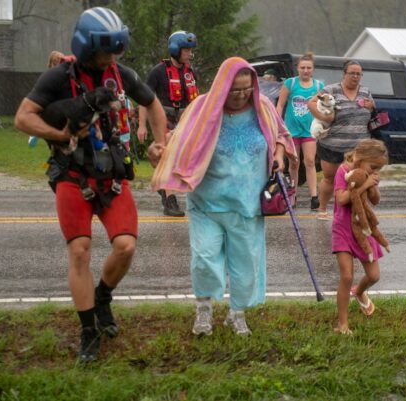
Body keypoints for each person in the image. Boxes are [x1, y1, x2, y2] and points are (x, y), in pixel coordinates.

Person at [14, 7, 167, 363]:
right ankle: (88, 332)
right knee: (80, 249)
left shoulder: (121, 75)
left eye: (116, 50)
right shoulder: (57, 78)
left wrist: (162, 144)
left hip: (112, 176)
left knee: (126, 246)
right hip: (72, 175)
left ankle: (103, 297)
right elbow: (23, 117)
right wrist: (60, 134)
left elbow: (154, 104)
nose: (111, 58)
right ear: (85, 47)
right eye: (105, 51)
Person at [151, 57, 296, 336]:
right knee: (204, 258)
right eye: (235, 90)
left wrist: (278, 154)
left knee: (245, 265)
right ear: (222, 86)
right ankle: (203, 311)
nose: (241, 96)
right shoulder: (202, 109)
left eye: (246, 89)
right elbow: (179, 140)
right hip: (207, 202)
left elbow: (281, 134)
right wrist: (162, 151)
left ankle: (237, 314)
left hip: (249, 205)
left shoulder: (262, 107)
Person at [137, 30, 199, 217]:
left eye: (190, 50)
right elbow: (143, 98)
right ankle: (170, 199)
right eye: (186, 50)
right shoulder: (158, 72)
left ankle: (167, 189)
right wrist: (141, 125)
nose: (190, 54)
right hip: (163, 120)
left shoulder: (190, 72)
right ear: (175, 50)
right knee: (166, 156)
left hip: (186, 120)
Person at [332, 139, 388, 335]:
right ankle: (342, 324)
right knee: (346, 275)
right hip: (343, 228)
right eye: (373, 167)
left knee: (374, 276)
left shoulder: (369, 174)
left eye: (378, 169)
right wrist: (363, 185)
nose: (374, 171)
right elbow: (341, 199)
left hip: (363, 228)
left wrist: (374, 185)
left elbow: (375, 201)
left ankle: (359, 291)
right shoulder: (343, 171)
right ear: (361, 158)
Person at [308, 60, 376, 220]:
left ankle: (354, 211)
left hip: (359, 147)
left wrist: (371, 106)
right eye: (352, 73)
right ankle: (322, 209)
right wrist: (325, 116)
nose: (355, 76)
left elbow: (373, 109)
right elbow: (310, 103)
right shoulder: (331, 90)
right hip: (332, 144)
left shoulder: (365, 91)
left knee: (356, 179)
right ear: (344, 74)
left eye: (358, 74)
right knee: (330, 178)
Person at [276, 52, 323, 210]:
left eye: (309, 68)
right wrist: (278, 123)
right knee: (293, 164)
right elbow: (280, 104)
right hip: (291, 130)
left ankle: (314, 197)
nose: (305, 70)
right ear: (297, 68)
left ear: (313, 69)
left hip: (309, 130)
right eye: (302, 67)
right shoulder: (290, 83)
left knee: (309, 161)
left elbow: (322, 107)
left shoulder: (318, 86)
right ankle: (292, 195)